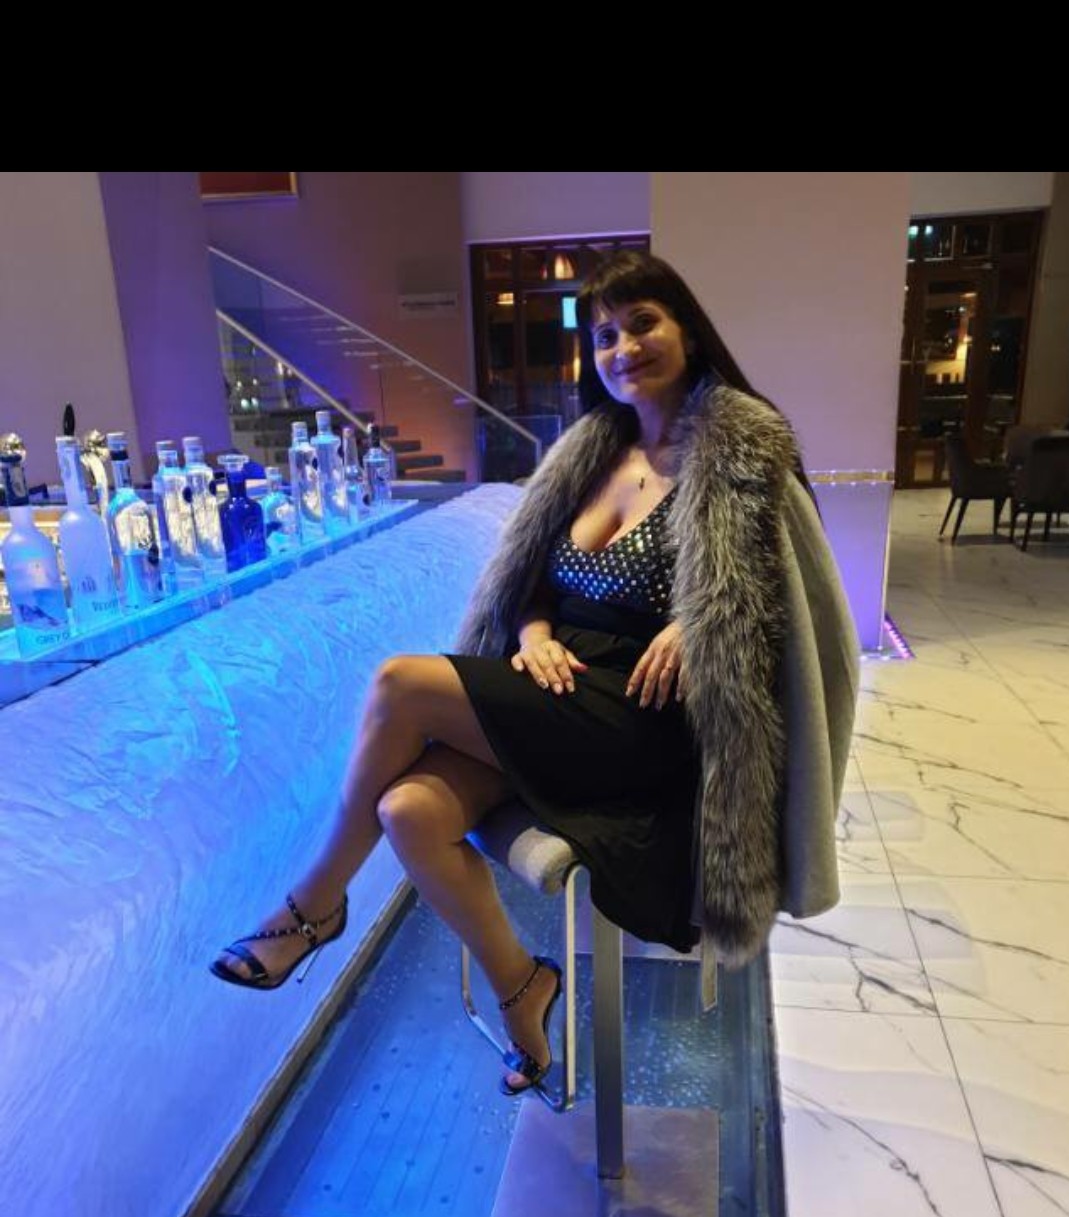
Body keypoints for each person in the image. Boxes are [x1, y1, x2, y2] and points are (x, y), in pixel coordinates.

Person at [211, 250, 860, 1101]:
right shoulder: (592, 451)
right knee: (408, 810)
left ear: (689, 332)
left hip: (644, 720)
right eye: (604, 336)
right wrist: (534, 629)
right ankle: (524, 988)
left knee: (401, 684)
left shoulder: (740, 456)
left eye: (642, 324)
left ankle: (314, 906)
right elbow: (535, 581)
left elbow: (789, 611)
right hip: (559, 694)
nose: (623, 348)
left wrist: (701, 625)